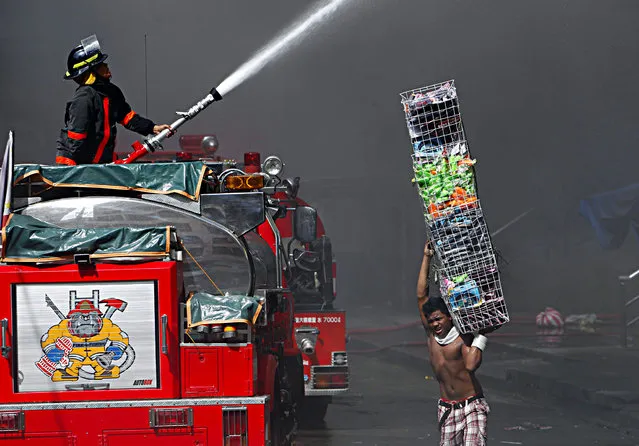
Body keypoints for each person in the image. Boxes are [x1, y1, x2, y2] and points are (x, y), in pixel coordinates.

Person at [417, 241, 492, 445]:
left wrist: (481, 336)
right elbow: (421, 295)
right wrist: (427, 257)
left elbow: (470, 364)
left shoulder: (463, 334)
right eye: (431, 321)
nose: (435, 324)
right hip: (447, 408)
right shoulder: (431, 335)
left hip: (471, 406)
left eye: (439, 319)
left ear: (449, 317)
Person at [56, 36, 171, 165]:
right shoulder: (83, 98)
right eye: (101, 65)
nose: (106, 65)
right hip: (74, 166)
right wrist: (91, 171)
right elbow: (76, 143)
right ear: (91, 72)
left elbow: (127, 117)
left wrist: (153, 128)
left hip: (97, 163)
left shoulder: (111, 92)